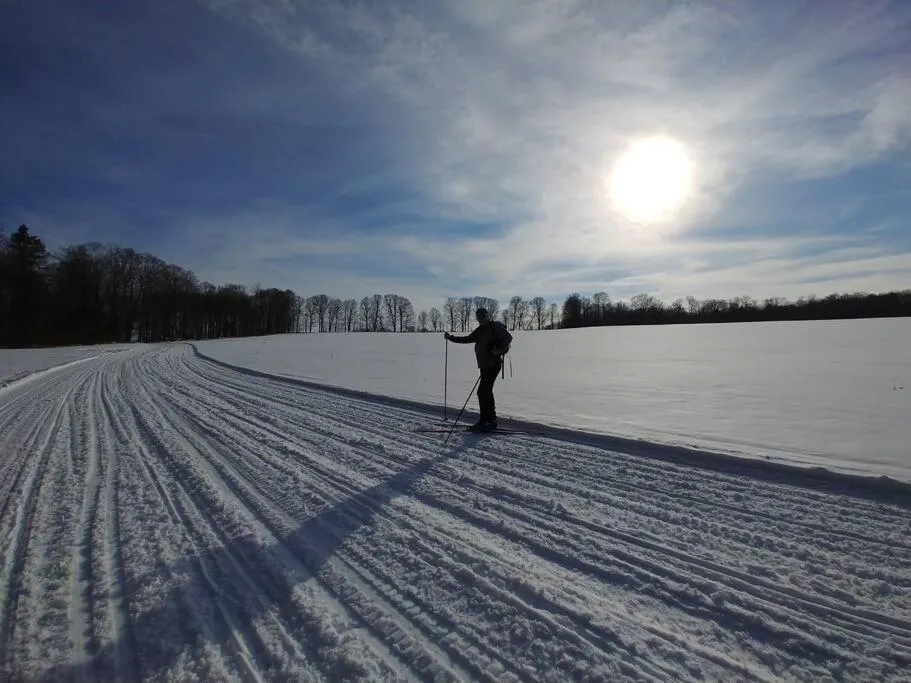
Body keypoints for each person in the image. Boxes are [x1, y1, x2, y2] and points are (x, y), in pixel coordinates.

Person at [445, 308, 512, 432]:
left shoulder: (495, 327)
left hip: (493, 364)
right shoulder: (480, 330)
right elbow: (467, 339)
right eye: (479, 317)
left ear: (487, 316)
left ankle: (485, 421)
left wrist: (498, 350)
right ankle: (490, 421)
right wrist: (451, 338)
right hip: (485, 365)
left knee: (482, 392)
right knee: (486, 392)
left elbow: (508, 338)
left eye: (483, 316)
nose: (481, 319)